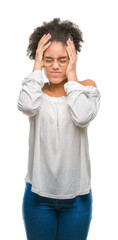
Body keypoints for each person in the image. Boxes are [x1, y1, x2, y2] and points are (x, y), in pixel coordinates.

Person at [17, 18, 101, 240]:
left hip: (77, 200)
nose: (55, 66)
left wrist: (72, 77)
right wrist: (36, 65)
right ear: (41, 60)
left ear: (72, 58)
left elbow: (82, 116)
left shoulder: (86, 88)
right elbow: (26, 105)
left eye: (62, 60)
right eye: (48, 60)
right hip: (37, 197)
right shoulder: (35, 92)